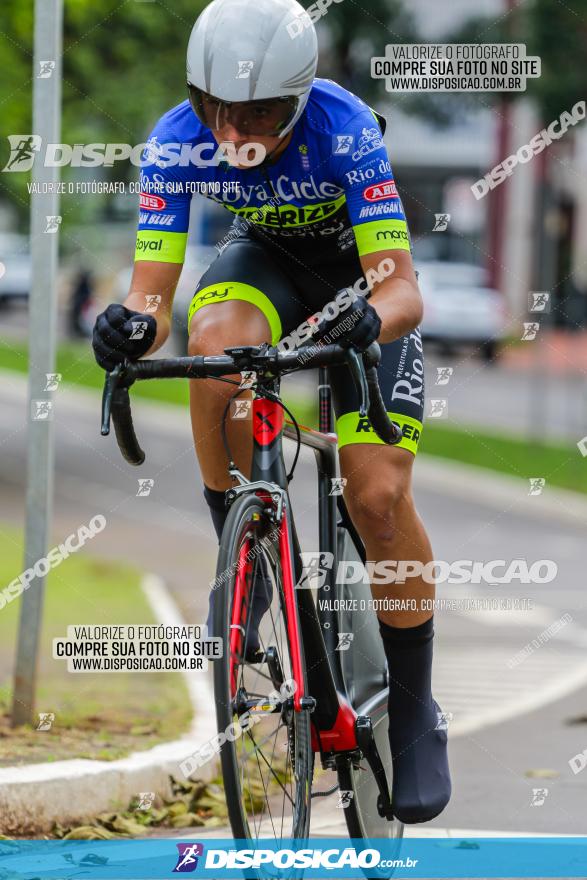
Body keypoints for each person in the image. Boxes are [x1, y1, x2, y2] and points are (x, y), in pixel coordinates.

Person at [92, 0, 451, 824]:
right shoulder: (175, 137)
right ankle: (244, 549)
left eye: (258, 114)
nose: (234, 129)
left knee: (377, 498)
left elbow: (401, 289)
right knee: (214, 343)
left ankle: (416, 707)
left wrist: (367, 321)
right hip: (263, 270)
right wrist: (128, 326)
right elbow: (150, 299)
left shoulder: (345, 126)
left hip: (358, 287)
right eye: (219, 108)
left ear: (297, 99)